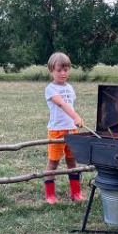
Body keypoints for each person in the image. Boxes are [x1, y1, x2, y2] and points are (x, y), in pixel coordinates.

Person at [44, 52, 84, 204]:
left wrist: (74, 120)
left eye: (66, 70)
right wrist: (75, 116)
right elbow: (61, 104)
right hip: (57, 131)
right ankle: (50, 195)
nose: (62, 73)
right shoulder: (50, 89)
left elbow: (70, 105)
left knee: (72, 161)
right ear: (51, 70)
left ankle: (76, 192)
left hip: (71, 130)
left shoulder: (70, 88)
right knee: (53, 162)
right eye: (59, 70)